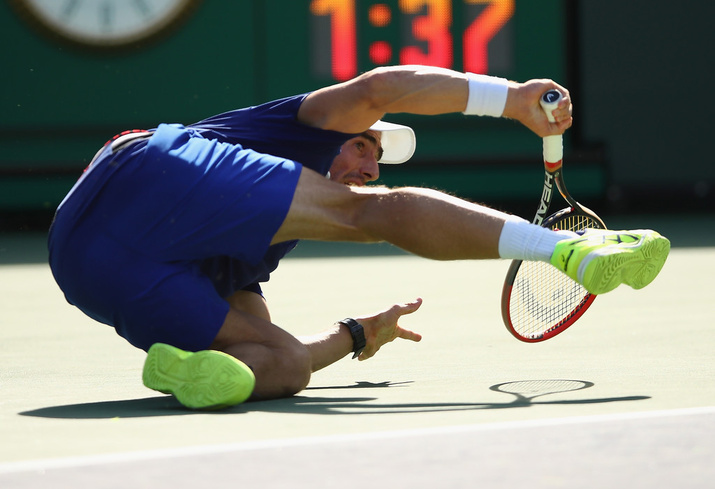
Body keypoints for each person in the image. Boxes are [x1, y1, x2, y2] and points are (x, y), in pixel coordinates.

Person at [48, 65, 670, 410]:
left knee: (283, 364)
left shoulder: (255, 247)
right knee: (365, 213)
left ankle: (185, 374)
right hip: (142, 176)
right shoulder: (302, 128)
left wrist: (354, 336)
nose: (369, 165)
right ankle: (567, 251)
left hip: (87, 268)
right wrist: (509, 98)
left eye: (377, 159)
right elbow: (382, 90)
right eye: (362, 143)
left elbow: (280, 345)